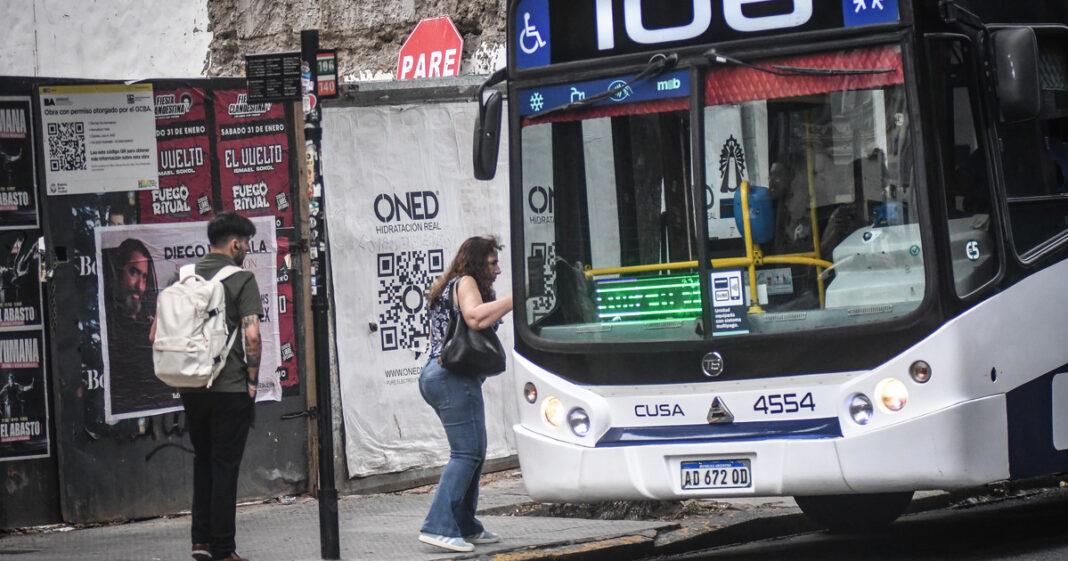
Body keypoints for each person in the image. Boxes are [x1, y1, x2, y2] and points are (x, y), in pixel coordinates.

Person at [151, 212, 262, 561]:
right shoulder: (242, 279)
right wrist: (253, 382)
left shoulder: (181, 277)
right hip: (229, 388)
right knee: (225, 465)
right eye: (245, 244)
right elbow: (253, 336)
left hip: (192, 386)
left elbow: (154, 334)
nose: (246, 249)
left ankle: (200, 541)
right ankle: (224, 549)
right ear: (234, 244)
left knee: (203, 461)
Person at [417, 236, 513, 553]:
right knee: (466, 454)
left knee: (475, 451)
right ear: (475, 263)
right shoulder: (466, 281)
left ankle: (465, 524)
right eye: (492, 263)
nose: (498, 269)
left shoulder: (451, 286)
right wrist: (520, 297)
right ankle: (439, 526)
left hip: (443, 375)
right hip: (451, 376)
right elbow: (473, 317)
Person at [104, 237, 163, 415]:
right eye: (134, 272)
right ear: (119, 271)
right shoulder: (108, 328)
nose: (140, 286)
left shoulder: (150, 325)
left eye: (144, 277)